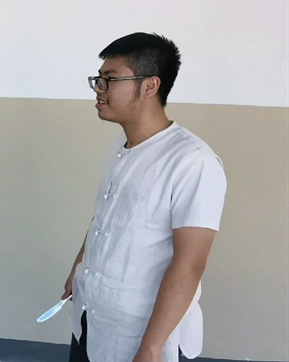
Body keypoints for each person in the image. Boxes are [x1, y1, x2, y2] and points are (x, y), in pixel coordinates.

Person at [62, 33, 227, 362]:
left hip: (143, 332)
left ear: (150, 86)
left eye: (110, 80)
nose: (99, 89)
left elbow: (189, 265)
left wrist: (151, 348)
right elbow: (105, 217)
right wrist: (78, 268)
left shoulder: (193, 162)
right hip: (93, 313)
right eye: (99, 79)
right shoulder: (121, 146)